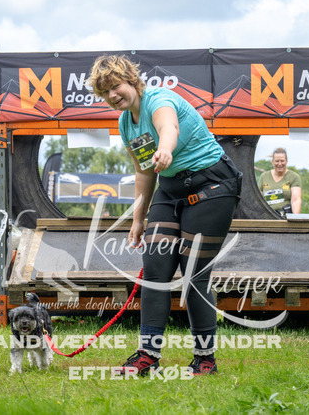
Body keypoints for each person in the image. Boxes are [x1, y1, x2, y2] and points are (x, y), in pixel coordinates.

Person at [89, 55, 241, 376]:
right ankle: (148, 355)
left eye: (116, 86)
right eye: (105, 93)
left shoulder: (158, 100)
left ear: (132, 80)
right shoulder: (125, 123)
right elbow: (144, 171)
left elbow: (168, 126)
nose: (113, 95)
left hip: (212, 185)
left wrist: (166, 148)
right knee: (155, 270)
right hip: (170, 188)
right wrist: (138, 219)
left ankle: (205, 359)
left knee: (194, 275)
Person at [258, 147, 302, 216]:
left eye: (282, 161)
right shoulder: (264, 176)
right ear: (272, 161)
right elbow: (258, 200)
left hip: (285, 217)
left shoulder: (294, 177)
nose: (279, 164)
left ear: (286, 161)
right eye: (277, 161)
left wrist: (295, 218)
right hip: (267, 217)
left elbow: (296, 200)